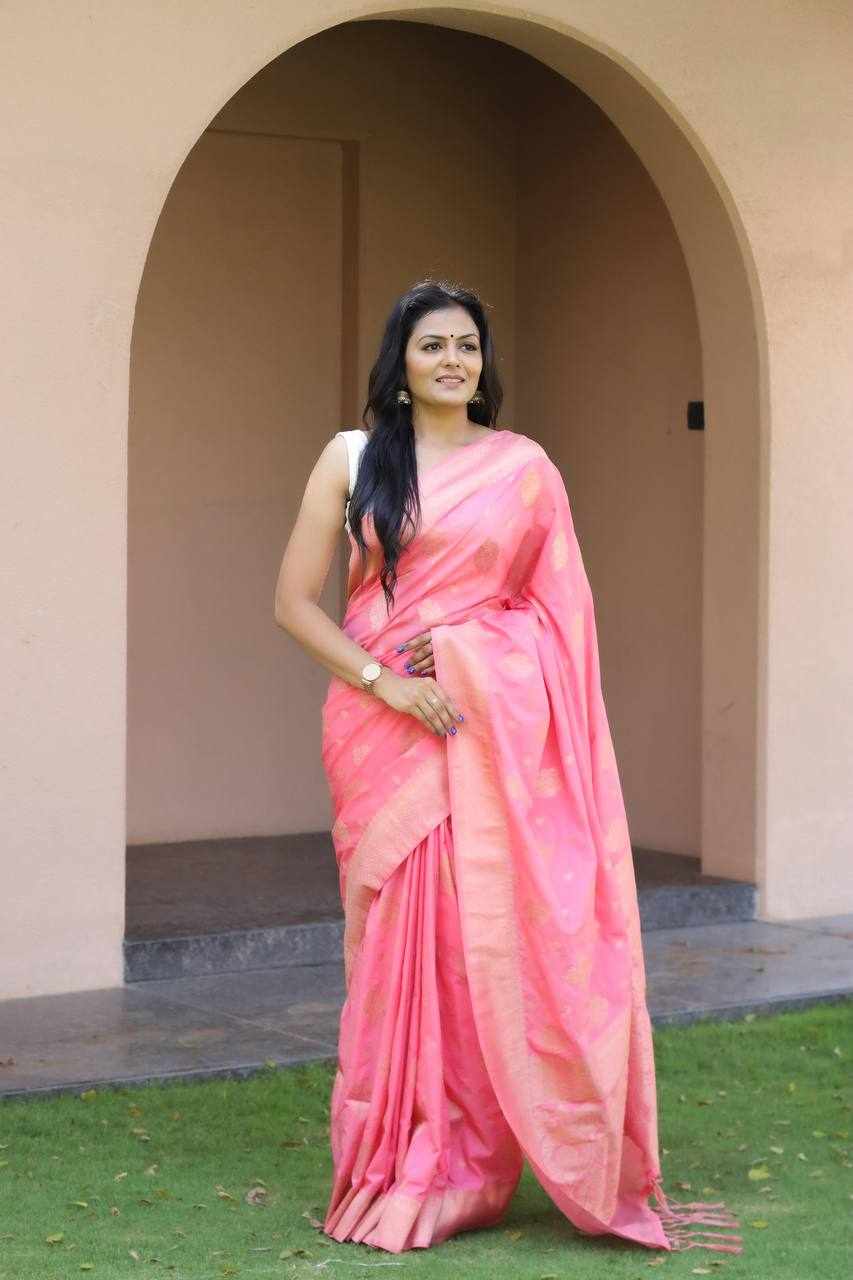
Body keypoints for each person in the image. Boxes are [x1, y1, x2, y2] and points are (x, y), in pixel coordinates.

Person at [273, 278, 743, 1257]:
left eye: (467, 345)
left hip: (477, 729)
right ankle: (403, 1152)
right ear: (400, 362)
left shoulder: (523, 469)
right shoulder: (352, 458)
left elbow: (559, 621)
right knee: (396, 952)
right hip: (379, 728)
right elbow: (292, 604)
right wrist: (388, 684)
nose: (452, 360)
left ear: (483, 363)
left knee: (467, 944)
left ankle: (463, 1163)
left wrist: (464, 656)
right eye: (432, 344)